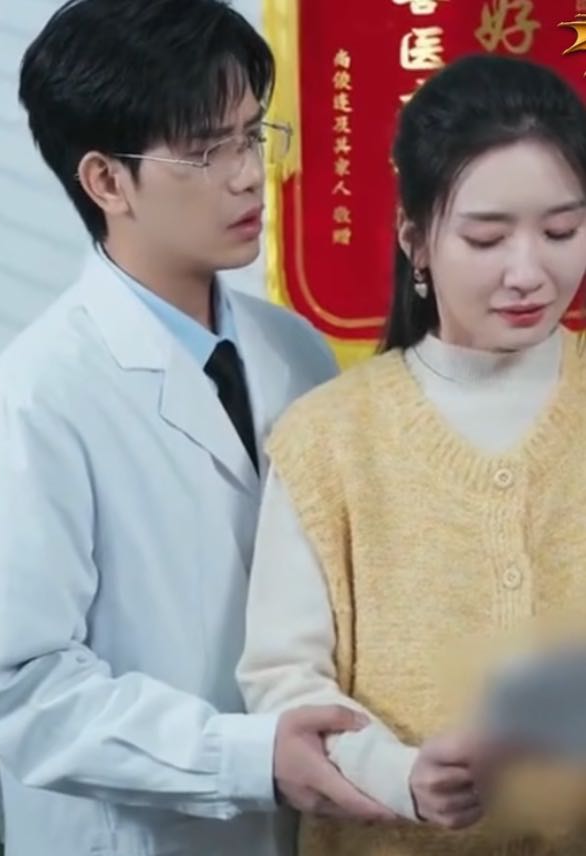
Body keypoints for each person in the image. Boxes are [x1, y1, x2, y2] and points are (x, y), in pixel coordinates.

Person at [0, 2, 392, 855]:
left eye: (251, 135)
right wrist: (245, 758)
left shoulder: (294, 349)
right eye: (206, 150)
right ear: (105, 181)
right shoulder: (34, 400)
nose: (247, 176)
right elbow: (19, 688)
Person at [238, 53, 586, 856]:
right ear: (416, 240)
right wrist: (400, 776)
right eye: (486, 237)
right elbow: (282, 681)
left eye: (562, 231)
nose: (529, 271)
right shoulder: (328, 438)